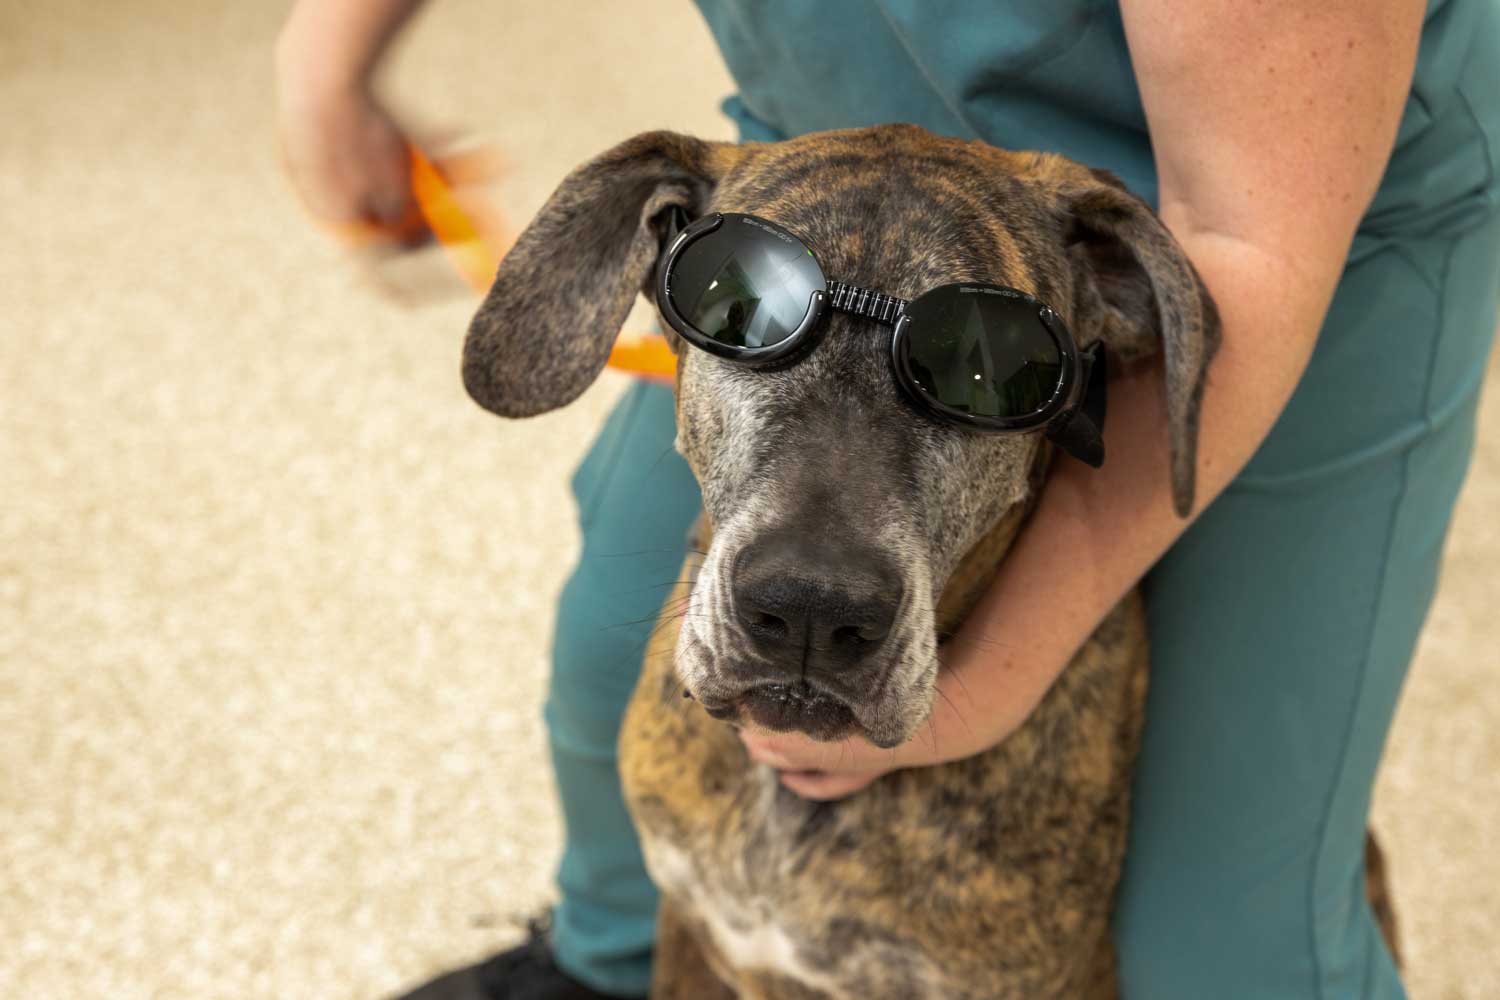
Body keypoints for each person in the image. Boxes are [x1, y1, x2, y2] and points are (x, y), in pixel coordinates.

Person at [276, 1, 1500, 997]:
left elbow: (1246, 242)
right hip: (814, 206)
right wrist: (330, 48)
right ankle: (597, 959)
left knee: (1229, 943)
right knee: (608, 664)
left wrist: (988, 680)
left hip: (1277, 231)